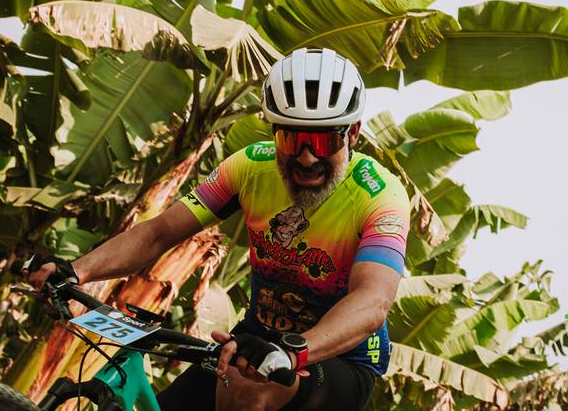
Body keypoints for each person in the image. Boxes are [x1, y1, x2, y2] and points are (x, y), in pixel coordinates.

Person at [25, 48, 410, 411]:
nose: (307, 158)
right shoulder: (249, 168)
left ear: (353, 133)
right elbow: (159, 232)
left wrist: (294, 351)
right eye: (291, 138)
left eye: (323, 140)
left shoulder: (379, 195)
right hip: (253, 342)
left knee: (247, 388)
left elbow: (373, 300)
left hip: (339, 359)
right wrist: (76, 270)